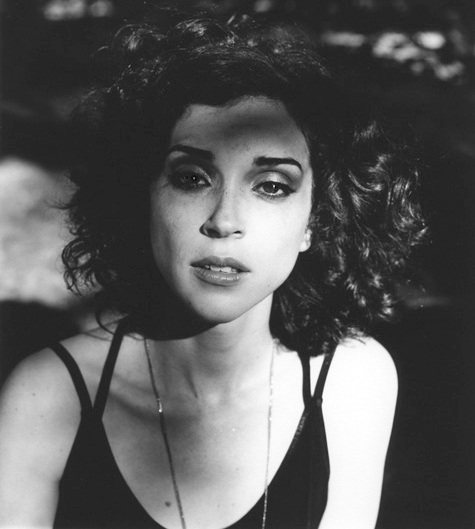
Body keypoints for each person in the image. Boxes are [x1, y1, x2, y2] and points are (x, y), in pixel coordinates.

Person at [0, 11, 426, 529]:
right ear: (142, 197)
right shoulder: (49, 395)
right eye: (192, 178)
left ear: (316, 222)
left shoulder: (351, 380)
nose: (224, 221)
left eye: (271, 186)